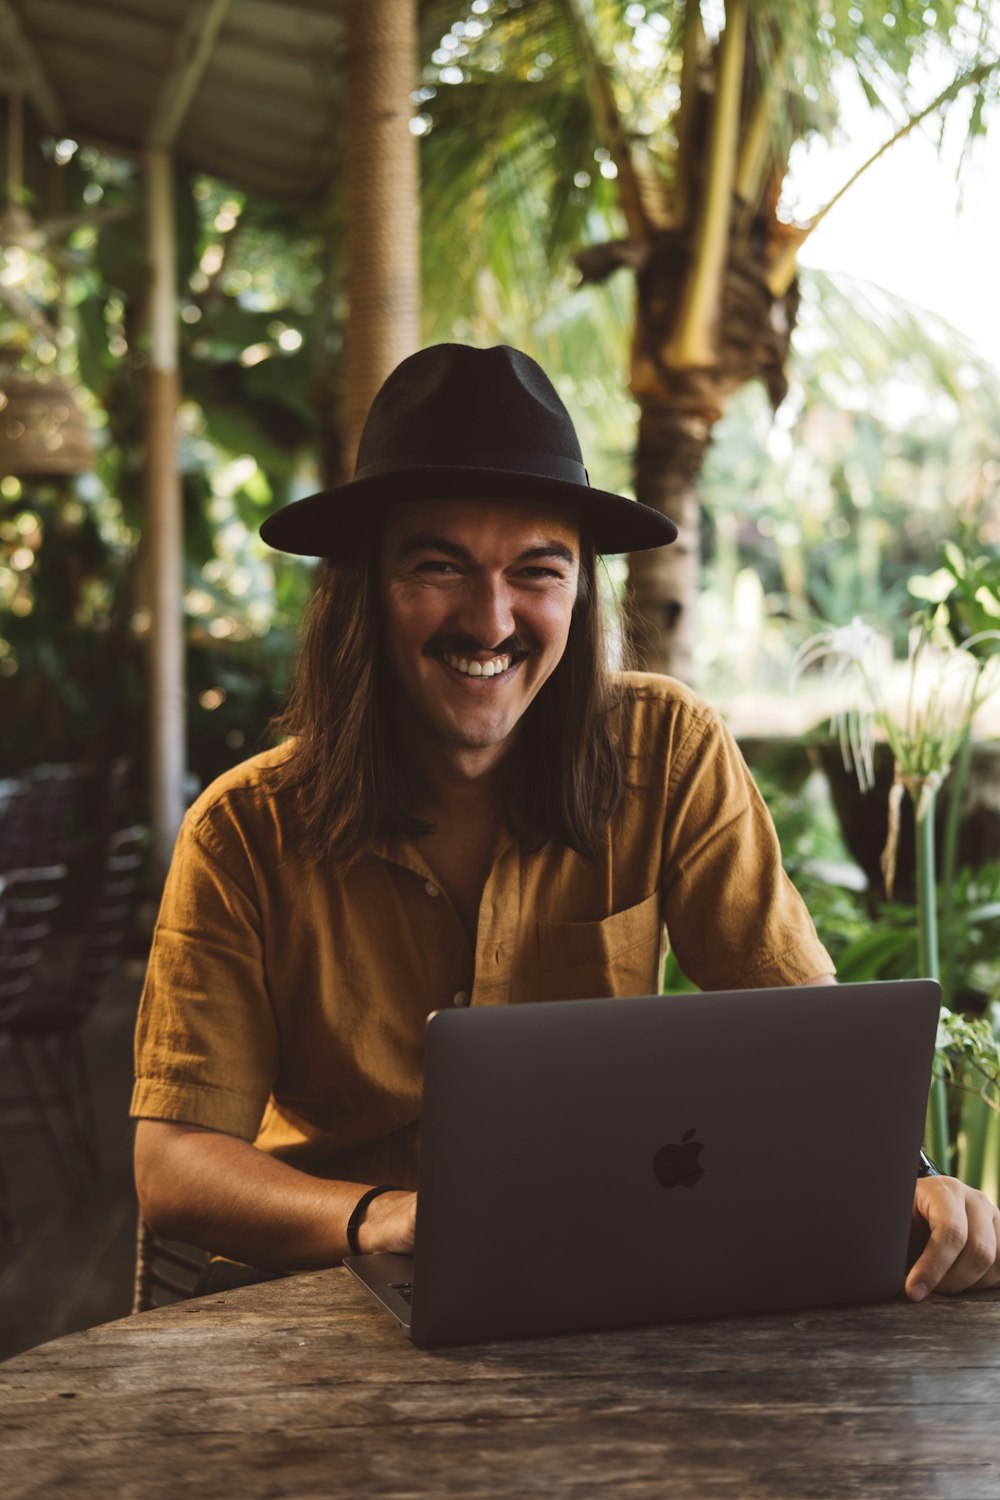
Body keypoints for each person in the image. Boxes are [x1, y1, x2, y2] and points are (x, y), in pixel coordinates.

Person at [132, 343, 1000, 1303]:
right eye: (439, 566)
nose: (491, 619)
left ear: (582, 591)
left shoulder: (668, 753)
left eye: (537, 572)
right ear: (364, 593)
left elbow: (814, 1052)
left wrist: (914, 1183)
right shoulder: (244, 831)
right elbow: (173, 1166)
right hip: (327, 1292)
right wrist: (383, 1216)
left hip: (604, 1281)